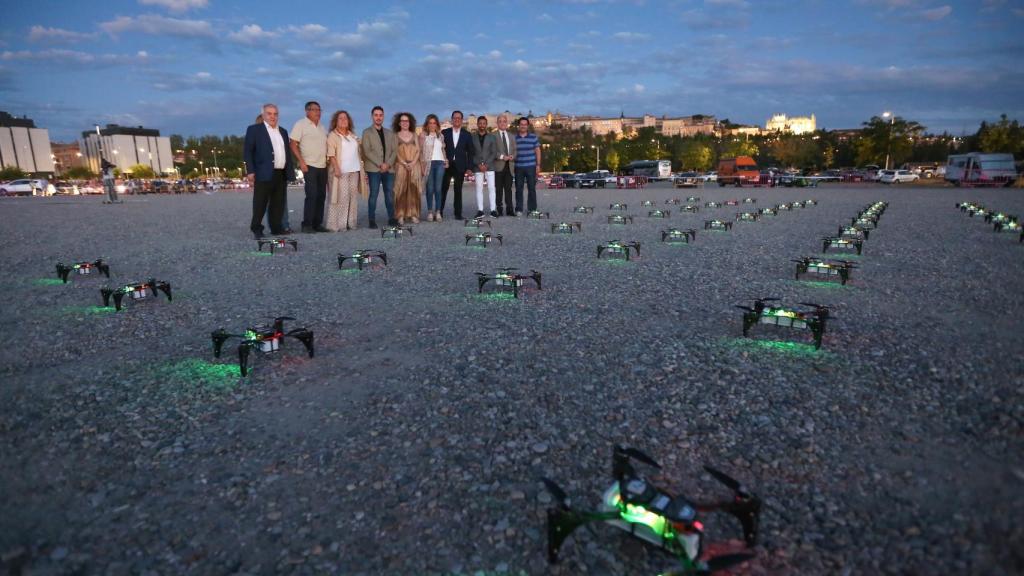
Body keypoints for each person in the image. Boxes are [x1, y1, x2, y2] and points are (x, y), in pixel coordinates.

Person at [244, 103, 293, 238]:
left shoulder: (283, 131)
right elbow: (248, 151)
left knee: (278, 203)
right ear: (263, 115)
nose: (273, 116)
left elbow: (286, 152)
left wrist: (289, 171)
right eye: (269, 113)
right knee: (260, 202)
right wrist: (250, 171)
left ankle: (276, 227)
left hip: (280, 172)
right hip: (263, 172)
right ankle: (257, 228)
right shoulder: (254, 130)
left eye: (275, 114)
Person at [290, 101, 328, 233]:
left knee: (322, 195)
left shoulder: (322, 127)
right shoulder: (300, 124)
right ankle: (307, 224)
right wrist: (301, 161)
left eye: (319, 110)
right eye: (314, 110)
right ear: (307, 111)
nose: (318, 112)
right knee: (312, 194)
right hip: (309, 165)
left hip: (323, 165)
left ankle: (317, 223)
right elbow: (293, 144)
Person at [360, 105, 398, 228]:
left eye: (380, 115)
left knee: (389, 194)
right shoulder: (366, 132)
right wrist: (380, 164)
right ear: (372, 117)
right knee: (374, 194)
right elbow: (367, 151)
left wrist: (388, 164)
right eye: (376, 115)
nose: (378, 117)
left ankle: (391, 218)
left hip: (389, 168)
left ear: (383, 116)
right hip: (373, 168)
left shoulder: (390, 133)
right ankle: (371, 220)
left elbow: (394, 151)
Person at [325, 110, 362, 231]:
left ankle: (351, 223)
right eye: (340, 118)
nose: (343, 120)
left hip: (355, 170)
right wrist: (336, 168)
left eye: (345, 118)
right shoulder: (333, 135)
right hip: (341, 171)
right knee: (341, 197)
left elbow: (358, 153)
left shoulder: (353, 136)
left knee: (353, 197)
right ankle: (339, 225)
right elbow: (331, 154)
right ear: (335, 121)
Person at [440, 110, 475, 221]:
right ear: (452, 119)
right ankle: (439, 212)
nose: (457, 119)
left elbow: (470, 152)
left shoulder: (467, 134)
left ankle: (458, 214)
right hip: (446, 165)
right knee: (443, 189)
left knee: (458, 190)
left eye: (459, 118)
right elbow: (440, 149)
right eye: (455, 118)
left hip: (460, 166)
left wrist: (469, 167)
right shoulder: (444, 133)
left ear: (461, 120)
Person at [392, 112, 422, 224]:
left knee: (414, 190)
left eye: (407, 121)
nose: (405, 123)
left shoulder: (414, 135)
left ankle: (413, 214)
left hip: (414, 166)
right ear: (399, 123)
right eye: (403, 121)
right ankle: (400, 215)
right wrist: (404, 163)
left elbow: (418, 150)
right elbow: (395, 152)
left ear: (410, 123)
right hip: (401, 166)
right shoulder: (395, 136)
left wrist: (413, 163)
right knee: (400, 190)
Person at [419, 114, 447, 222]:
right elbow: (420, 152)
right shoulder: (423, 135)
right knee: (430, 189)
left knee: (438, 189)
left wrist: (446, 160)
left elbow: (443, 150)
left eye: (434, 123)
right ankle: (430, 212)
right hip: (428, 163)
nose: (432, 125)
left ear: (437, 124)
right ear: (427, 124)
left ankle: (438, 211)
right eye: (430, 123)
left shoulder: (440, 136)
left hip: (440, 163)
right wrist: (422, 165)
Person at [471, 115, 499, 218]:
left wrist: (486, 164)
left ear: (486, 124)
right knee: (479, 189)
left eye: (484, 123)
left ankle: (493, 210)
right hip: (477, 167)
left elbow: (494, 152)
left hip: (490, 166)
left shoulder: (492, 137)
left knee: (492, 188)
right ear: (477, 124)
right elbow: (471, 153)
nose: (482, 125)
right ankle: (480, 210)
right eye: (480, 123)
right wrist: (478, 164)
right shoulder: (472, 137)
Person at [513, 116, 541, 216]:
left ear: (527, 126)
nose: (523, 126)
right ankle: (519, 209)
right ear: (518, 126)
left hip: (531, 166)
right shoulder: (514, 138)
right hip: (518, 167)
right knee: (519, 189)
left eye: (525, 124)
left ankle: (532, 209)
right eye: (521, 124)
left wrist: (538, 165)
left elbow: (538, 151)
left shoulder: (533, 137)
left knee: (532, 189)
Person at [493, 114, 516, 216]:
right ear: (497, 123)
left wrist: (513, 156)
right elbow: (492, 151)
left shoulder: (511, 136)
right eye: (500, 121)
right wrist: (502, 157)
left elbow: (515, 150)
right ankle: (499, 209)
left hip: (510, 166)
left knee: (508, 189)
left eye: (504, 121)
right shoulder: (493, 136)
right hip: (498, 166)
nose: (502, 123)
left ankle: (510, 209)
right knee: (498, 190)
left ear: (507, 123)